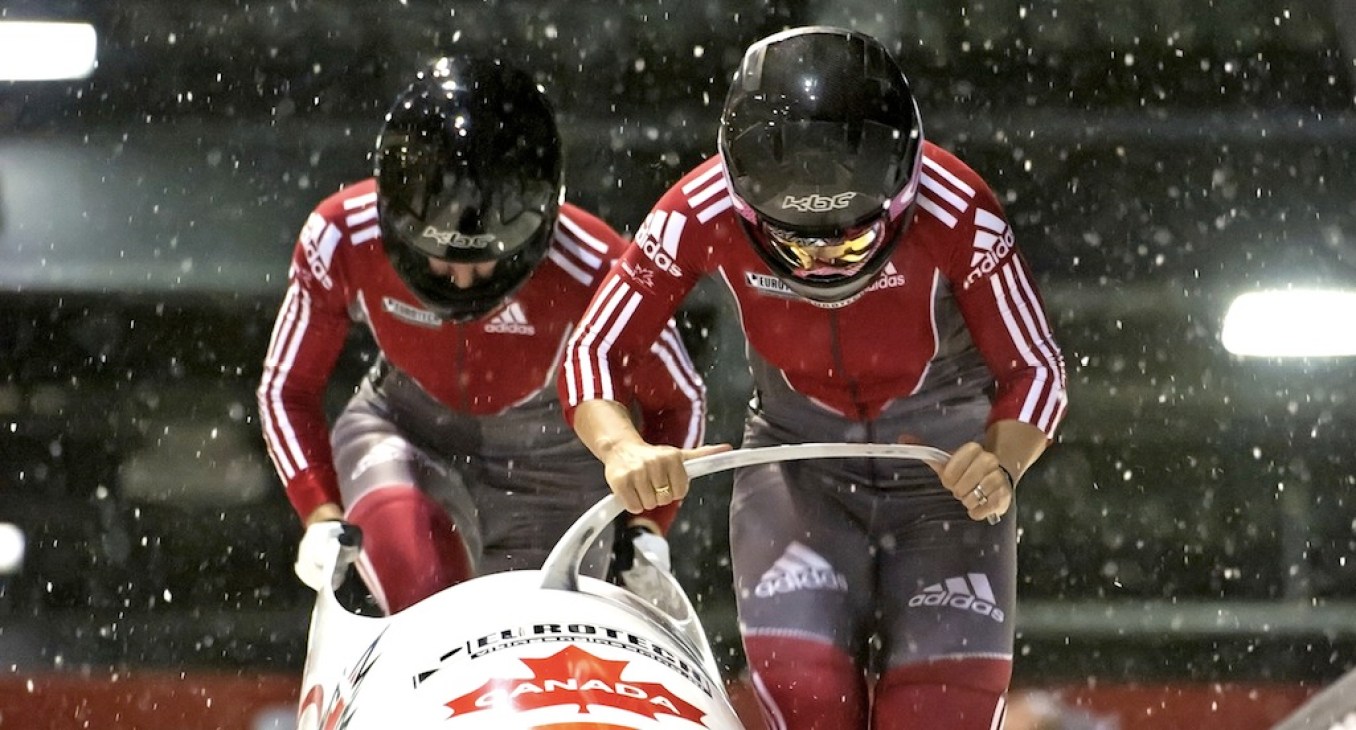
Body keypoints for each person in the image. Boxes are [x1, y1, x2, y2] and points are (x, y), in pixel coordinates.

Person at [561, 27, 1068, 730]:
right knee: (811, 701)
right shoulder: (694, 211)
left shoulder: (958, 207)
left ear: (901, 193)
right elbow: (595, 348)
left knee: (936, 713)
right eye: (792, 242)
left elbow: (1035, 367)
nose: (822, 264)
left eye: (852, 240)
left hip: (943, 480)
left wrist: (1003, 460)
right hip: (800, 472)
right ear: (744, 203)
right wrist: (622, 448)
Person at [257, 56, 707, 615]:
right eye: (438, 256)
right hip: (405, 433)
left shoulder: (594, 266)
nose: (461, 279)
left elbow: (678, 398)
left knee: (540, 653)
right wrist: (320, 515)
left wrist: (645, 528)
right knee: (420, 584)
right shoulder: (339, 236)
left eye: (486, 260)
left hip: (555, 468)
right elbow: (287, 387)